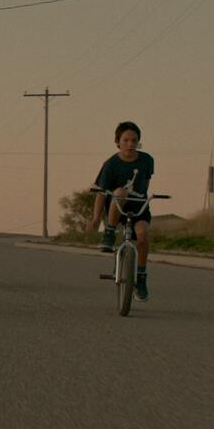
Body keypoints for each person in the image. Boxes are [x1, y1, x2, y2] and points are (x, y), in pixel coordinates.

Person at [87, 121, 154, 302]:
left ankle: (140, 278)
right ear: (118, 142)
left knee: (143, 235)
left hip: (138, 207)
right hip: (117, 207)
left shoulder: (147, 160)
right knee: (120, 192)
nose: (130, 144)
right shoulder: (111, 164)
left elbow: (146, 184)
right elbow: (101, 193)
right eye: (126, 140)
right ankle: (110, 233)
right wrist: (95, 219)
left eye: (134, 140)